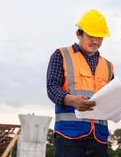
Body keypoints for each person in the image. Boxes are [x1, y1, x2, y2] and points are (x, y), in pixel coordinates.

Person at [46, 9, 114, 157]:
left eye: (100, 37)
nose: (96, 41)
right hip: (69, 135)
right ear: (79, 34)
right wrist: (72, 100)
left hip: (99, 138)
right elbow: (52, 88)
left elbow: (112, 97)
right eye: (91, 36)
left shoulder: (108, 66)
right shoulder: (61, 55)